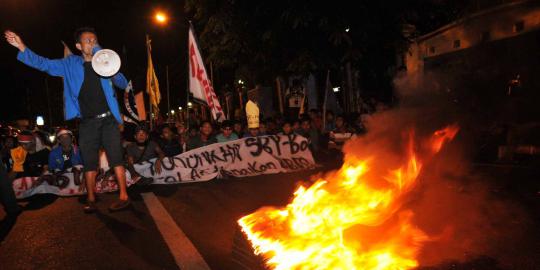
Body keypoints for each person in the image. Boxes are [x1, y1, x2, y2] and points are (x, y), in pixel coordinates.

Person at [5, 28, 131, 212]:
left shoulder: (105, 60)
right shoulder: (70, 64)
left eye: (95, 40)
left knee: (116, 158)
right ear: (79, 46)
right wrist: (21, 46)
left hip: (109, 120)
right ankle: (91, 198)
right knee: (89, 161)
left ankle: (123, 196)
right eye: (88, 40)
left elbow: (122, 82)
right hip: (88, 122)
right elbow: (44, 64)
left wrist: (107, 65)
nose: (92, 42)